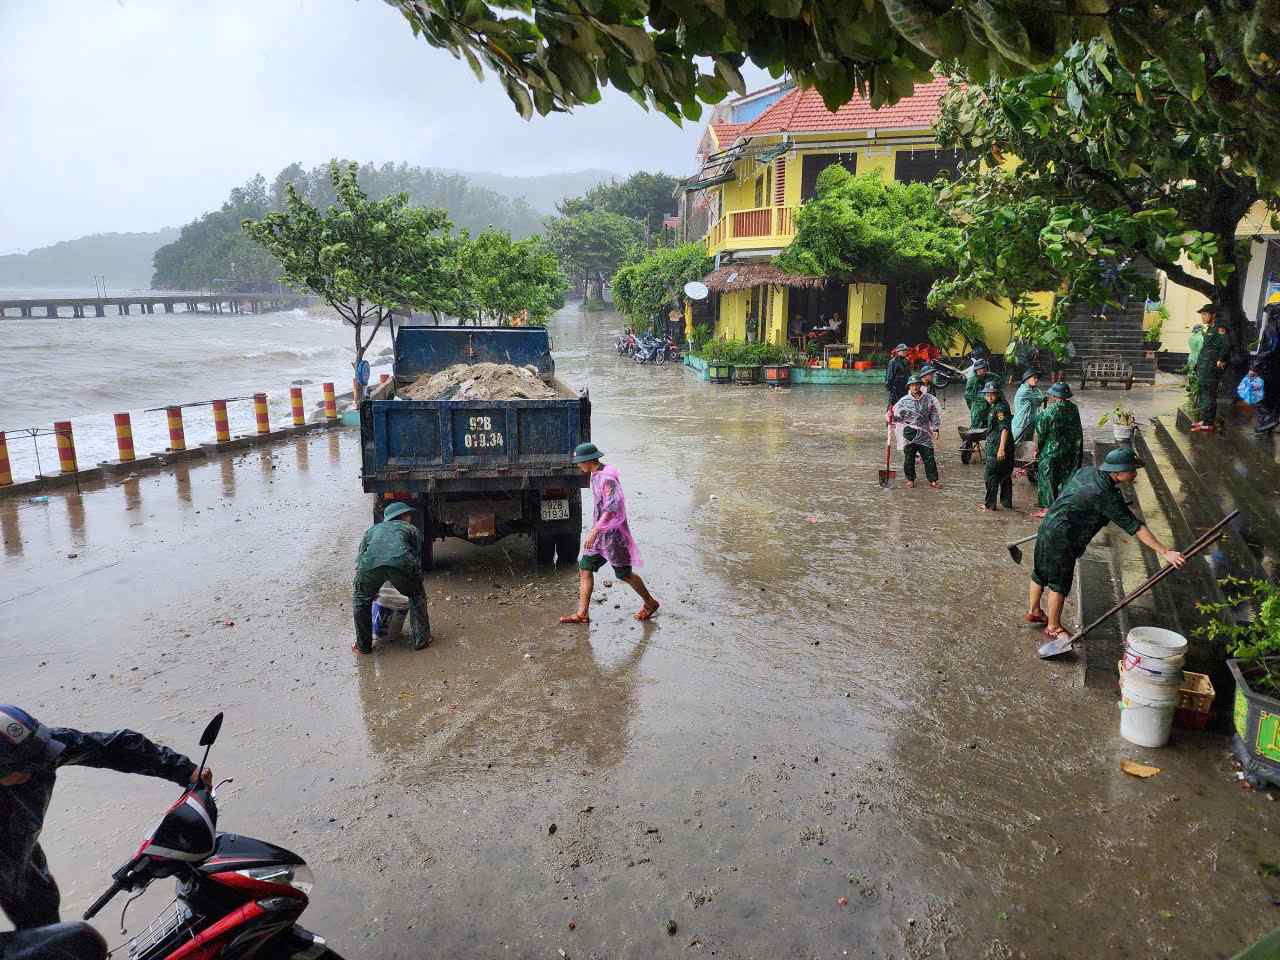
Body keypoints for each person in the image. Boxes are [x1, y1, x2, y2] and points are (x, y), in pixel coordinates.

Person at [0, 706, 211, 931]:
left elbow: (114, 747)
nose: (38, 766)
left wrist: (185, 770)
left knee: (45, 925)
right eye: (26, 765)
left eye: (40, 755)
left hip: (23, 853)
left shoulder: (41, 749)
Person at [1026, 448, 1185, 641]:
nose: (1135, 473)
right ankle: (1053, 626)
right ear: (1117, 472)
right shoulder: (1106, 494)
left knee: (1040, 572)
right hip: (1065, 538)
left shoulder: (1087, 471)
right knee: (1059, 582)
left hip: (1050, 524)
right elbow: (1135, 526)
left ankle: (1034, 610)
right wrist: (1165, 551)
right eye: (1132, 470)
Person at [559, 442, 659, 624]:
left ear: (588, 461)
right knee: (585, 567)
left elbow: (612, 508)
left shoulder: (607, 479)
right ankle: (582, 614)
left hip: (613, 535)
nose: (578, 465)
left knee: (624, 574)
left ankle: (650, 603)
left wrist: (595, 530)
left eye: (579, 462)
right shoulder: (595, 474)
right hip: (599, 535)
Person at [352, 501, 431, 653]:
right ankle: (421, 640)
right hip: (401, 564)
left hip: (369, 567)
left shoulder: (371, 530)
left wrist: (369, 588)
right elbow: (415, 555)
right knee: (416, 595)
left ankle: (363, 646)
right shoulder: (410, 528)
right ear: (403, 516)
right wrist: (414, 581)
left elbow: (361, 557)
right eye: (408, 515)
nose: (410, 517)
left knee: (360, 600)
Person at [1031, 381, 1084, 518]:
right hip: (1069, 450)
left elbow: (1040, 434)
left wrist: (1037, 450)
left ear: (1054, 396)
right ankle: (1063, 505)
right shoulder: (1073, 409)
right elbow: (1077, 431)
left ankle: (1048, 508)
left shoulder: (1048, 412)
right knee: (1065, 478)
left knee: (1047, 478)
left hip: (1051, 451)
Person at [892, 374, 942, 488]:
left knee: (929, 457)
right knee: (909, 458)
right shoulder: (903, 401)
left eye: (917, 385)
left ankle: (933, 480)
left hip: (925, 432)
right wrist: (892, 416)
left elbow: (934, 414)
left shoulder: (928, 399)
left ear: (920, 386)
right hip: (909, 432)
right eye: (912, 385)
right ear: (909, 387)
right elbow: (898, 418)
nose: (915, 387)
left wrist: (936, 428)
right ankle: (910, 479)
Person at [1191, 305, 1231, 431]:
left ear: (1213, 315)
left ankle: (1208, 423)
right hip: (1204, 366)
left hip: (1211, 367)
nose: (1203, 317)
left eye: (1205, 314)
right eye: (1202, 314)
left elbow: (1226, 345)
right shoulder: (1210, 329)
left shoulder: (1219, 328)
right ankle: (1205, 419)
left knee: (1209, 394)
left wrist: (1221, 360)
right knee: (1204, 393)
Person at [980, 381, 1014, 511]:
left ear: (997, 394)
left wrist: (1001, 448)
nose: (989, 397)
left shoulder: (999, 408)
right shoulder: (1000, 404)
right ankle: (1006, 503)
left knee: (991, 476)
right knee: (1005, 475)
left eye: (992, 394)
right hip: (1005, 447)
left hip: (997, 448)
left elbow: (1004, 429)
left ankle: (990, 505)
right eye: (987, 394)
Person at [1251, 301, 1280, 433]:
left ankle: (1269, 420)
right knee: (1273, 397)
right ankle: (1268, 421)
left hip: (1270, 368)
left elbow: (1269, 348)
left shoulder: (1272, 327)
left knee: (1257, 395)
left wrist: (1255, 366)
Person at [1011, 369, 1044, 463]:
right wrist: (1043, 398)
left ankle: (1022, 463)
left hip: (1030, 421)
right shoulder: (1024, 390)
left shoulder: (1033, 389)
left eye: (1037, 378)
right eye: (1034, 377)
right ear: (1026, 379)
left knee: (1027, 443)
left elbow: (1039, 397)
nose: (1036, 380)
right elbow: (1039, 398)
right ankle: (1010, 463)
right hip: (1021, 423)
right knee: (1016, 442)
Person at [964, 356, 1001, 429]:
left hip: (990, 404)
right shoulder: (972, 381)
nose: (983, 370)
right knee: (976, 424)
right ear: (976, 370)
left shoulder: (991, 376)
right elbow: (968, 397)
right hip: (978, 405)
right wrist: (982, 399)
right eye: (980, 369)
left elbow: (999, 382)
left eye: (984, 368)